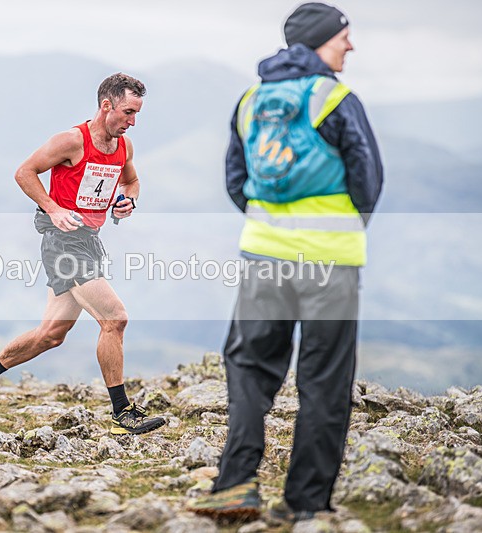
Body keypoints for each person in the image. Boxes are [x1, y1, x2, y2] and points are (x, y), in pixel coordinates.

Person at [187, 2, 383, 523]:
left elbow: (236, 181)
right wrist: (339, 229)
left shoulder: (251, 100)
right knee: (323, 382)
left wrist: (269, 227)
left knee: (250, 368)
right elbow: (368, 180)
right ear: (322, 40)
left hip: (263, 259)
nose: (350, 46)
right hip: (330, 265)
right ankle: (304, 504)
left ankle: (234, 485)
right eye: (344, 36)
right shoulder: (337, 98)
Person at [0, 73, 166, 436]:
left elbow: (131, 181)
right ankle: (122, 413)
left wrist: (127, 200)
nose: (133, 121)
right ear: (107, 106)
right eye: (128, 112)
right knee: (114, 318)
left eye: (137, 114)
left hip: (89, 241)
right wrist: (53, 208)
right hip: (61, 242)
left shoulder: (124, 147)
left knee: (52, 334)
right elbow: (25, 173)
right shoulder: (72, 140)